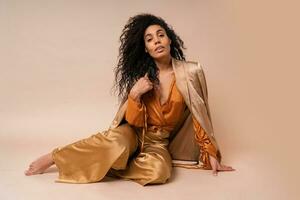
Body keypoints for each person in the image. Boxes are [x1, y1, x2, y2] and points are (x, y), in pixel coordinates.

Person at [24, 13, 234, 186]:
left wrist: (210, 153)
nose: (156, 41)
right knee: (114, 143)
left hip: (158, 143)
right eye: (149, 39)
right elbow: (132, 122)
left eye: (160, 35)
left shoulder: (191, 72)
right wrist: (134, 94)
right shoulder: (141, 77)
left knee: (158, 173)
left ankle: (110, 162)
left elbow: (199, 114)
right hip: (132, 134)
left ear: (170, 39)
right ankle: (54, 157)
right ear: (146, 48)